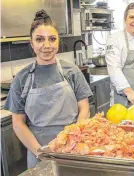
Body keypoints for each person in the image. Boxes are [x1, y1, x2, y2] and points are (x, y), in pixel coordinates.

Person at [4, 10, 94, 169]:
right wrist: (40, 152)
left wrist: (74, 139)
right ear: (32, 43)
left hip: (72, 150)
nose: (46, 45)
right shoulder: (22, 78)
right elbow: (18, 123)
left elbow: (84, 108)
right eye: (39, 39)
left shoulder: (71, 71)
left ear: (58, 42)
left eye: (52, 39)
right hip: (37, 151)